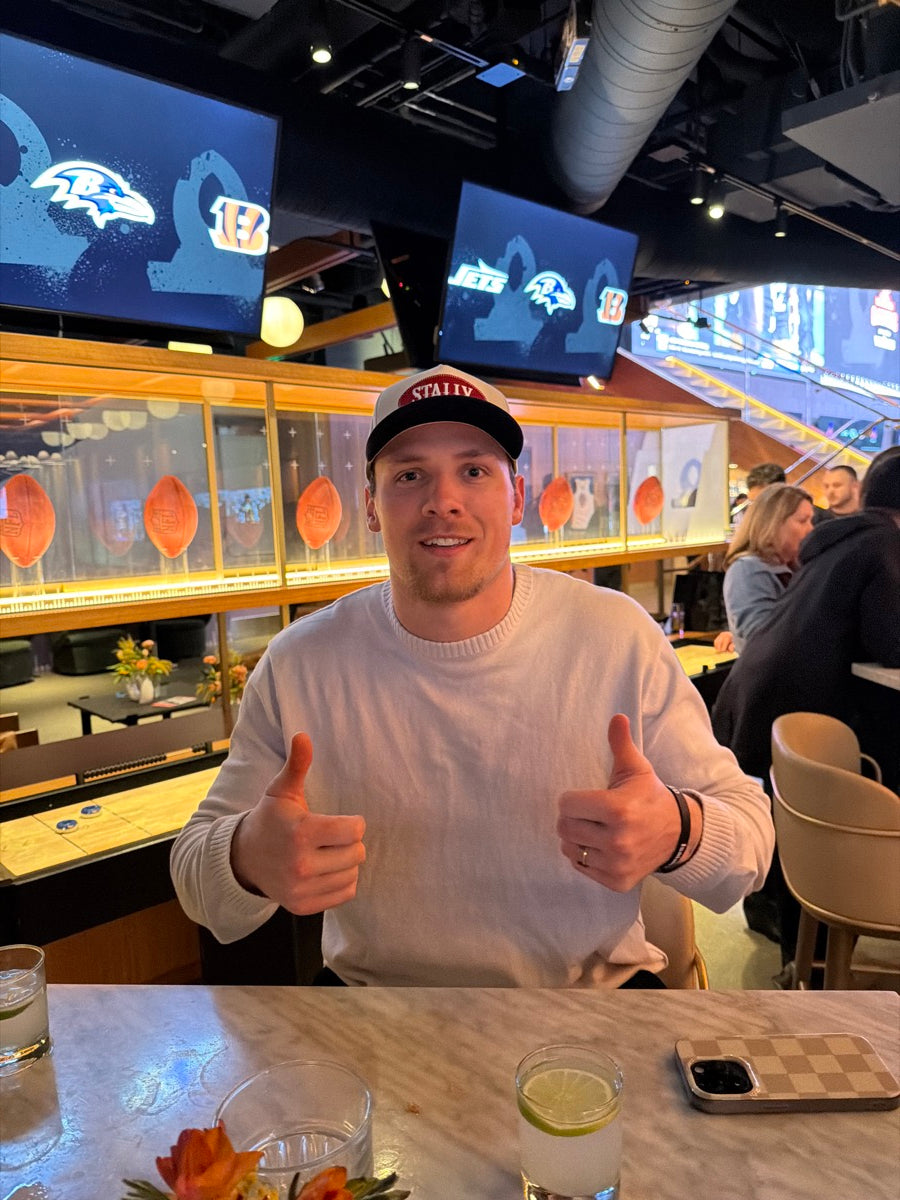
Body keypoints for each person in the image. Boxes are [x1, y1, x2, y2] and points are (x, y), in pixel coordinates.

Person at [171, 364, 773, 989]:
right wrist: (246, 857)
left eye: (474, 470)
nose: (444, 501)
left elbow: (752, 843)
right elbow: (194, 878)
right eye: (409, 475)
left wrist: (677, 830)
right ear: (372, 507)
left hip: (587, 1011)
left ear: (515, 499)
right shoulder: (301, 663)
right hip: (379, 1013)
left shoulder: (617, 637)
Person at [712, 446, 900, 960]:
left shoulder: (849, 541)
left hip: (767, 700)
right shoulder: (883, 543)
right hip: (794, 709)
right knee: (804, 817)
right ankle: (804, 936)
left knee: (791, 816)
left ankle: (799, 940)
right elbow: (891, 639)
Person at [719, 484, 814, 653]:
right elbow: (763, 637)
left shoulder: (795, 567)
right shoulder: (747, 570)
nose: (811, 529)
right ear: (774, 524)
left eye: (810, 521)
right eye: (802, 521)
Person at [729, 463, 785, 530]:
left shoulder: (793, 519)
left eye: (764, 501)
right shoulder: (753, 518)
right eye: (753, 501)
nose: (758, 507)